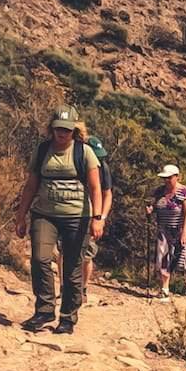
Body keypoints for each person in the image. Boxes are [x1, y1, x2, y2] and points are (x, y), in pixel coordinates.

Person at [13, 108, 104, 334]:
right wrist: (21, 215)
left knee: (73, 267)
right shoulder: (43, 150)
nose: (62, 133)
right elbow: (31, 185)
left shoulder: (84, 152)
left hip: (77, 216)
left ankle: (67, 317)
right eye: (58, 129)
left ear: (74, 130)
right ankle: (44, 310)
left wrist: (98, 218)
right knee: (40, 259)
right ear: (51, 128)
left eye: (66, 129)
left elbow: (95, 187)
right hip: (44, 214)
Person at [77, 120, 113, 294]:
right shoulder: (76, 161)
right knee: (64, 249)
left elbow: (107, 193)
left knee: (87, 253)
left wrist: (101, 217)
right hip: (73, 210)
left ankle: (83, 287)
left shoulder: (103, 168)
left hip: (93, 214)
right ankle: (64, 287)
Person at [151, 165, 186, 297]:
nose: (167, 181)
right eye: (165, 178)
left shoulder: (184, 192)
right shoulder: (159, 191)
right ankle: (164, 289)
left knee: (179, 258)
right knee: (162, 257)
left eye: (169, 178)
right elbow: (154, 205)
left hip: (178, 229)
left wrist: (185, 231)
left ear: (177, 177)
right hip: (163, 230)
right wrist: (150, 210)